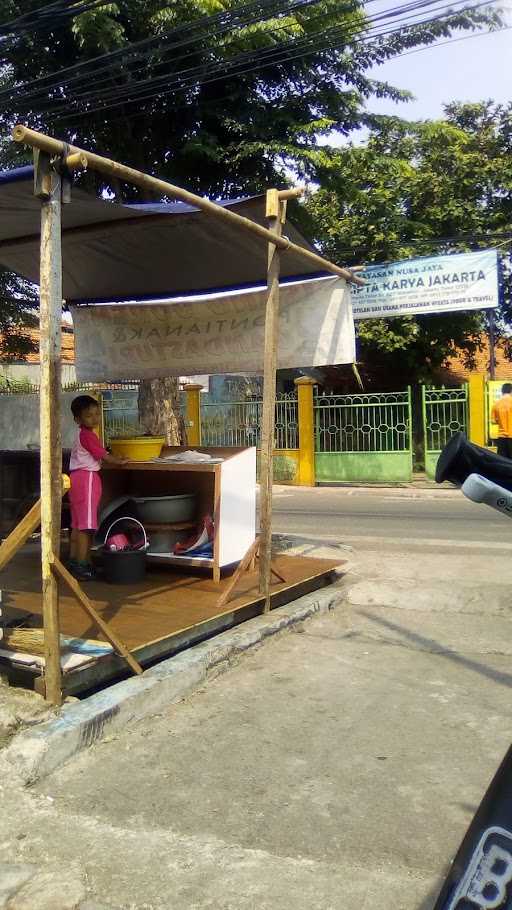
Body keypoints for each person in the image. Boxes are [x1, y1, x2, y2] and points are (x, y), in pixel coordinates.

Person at [68, 395, 129, 580]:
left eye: (96, 414)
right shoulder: (88, 435)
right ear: (78, 419)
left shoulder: (83, 435)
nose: (94, 418)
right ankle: (82, 565)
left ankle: (75, 561)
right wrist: (119, 461)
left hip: (77, 479)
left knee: (78, 525)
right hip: (86, 479)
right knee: (86, 527)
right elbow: (101, 454)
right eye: (89, 415)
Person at [491, 383, 512, 460]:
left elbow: (493, 421)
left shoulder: (496, 404)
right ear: (511, 391)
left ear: (502, 391)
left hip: (501, 437)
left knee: (503, 462)